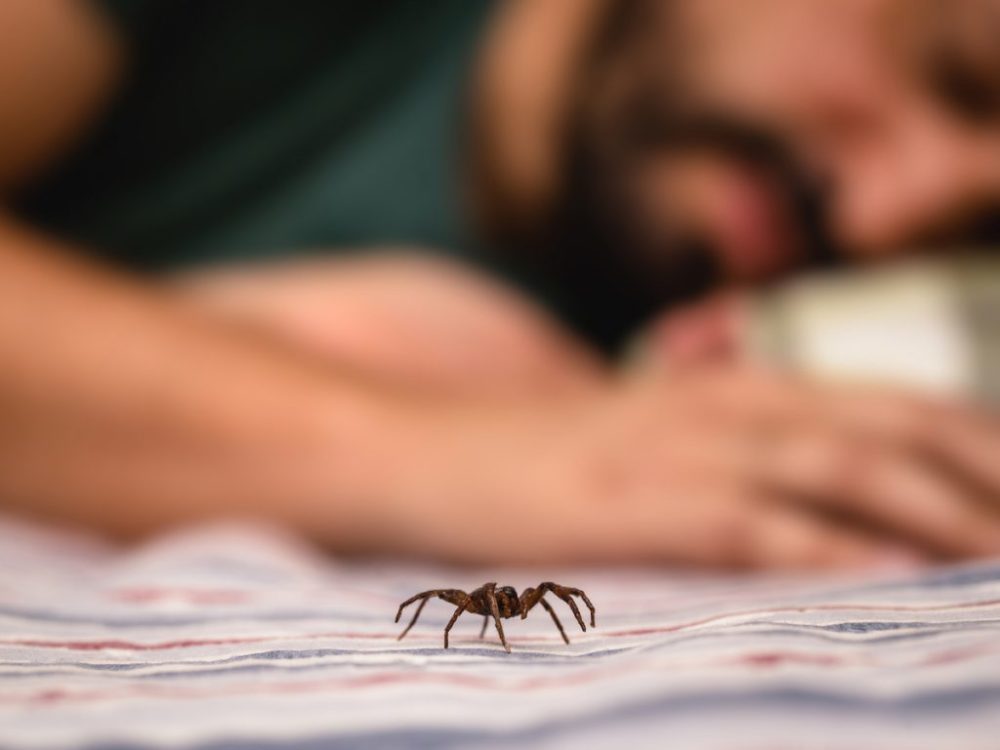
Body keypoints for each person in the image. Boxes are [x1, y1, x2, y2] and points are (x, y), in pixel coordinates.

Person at [2, 0, 1000, 568]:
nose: (878, 219)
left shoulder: (656, 364)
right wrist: (423, 453)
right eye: (954, 71)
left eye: (977, 231)